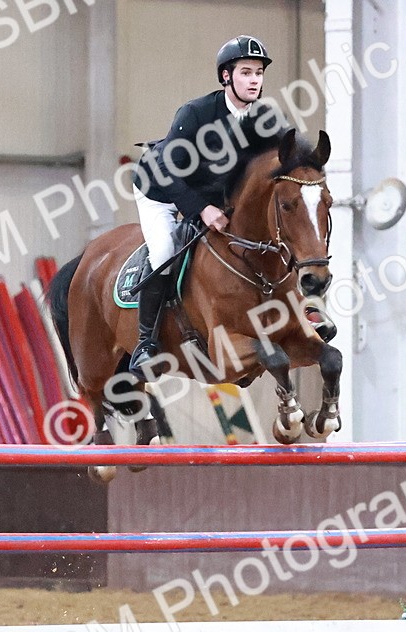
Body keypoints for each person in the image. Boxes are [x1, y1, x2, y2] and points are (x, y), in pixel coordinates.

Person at [128, 35, 292, 379]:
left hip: (213, 195)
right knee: (165, 251)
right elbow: (168, 170)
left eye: (259, 73)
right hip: (160, 188)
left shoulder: (265, 121)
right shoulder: (196, 113)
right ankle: (145, 344)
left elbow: (282, 166)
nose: (254, 80)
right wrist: (201, 209)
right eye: (246, 72)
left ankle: (297, 314)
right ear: (226, 76)